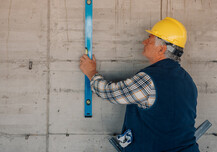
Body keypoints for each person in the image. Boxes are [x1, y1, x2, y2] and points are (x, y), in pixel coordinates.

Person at [79, 17, 199, 152]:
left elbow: (110, 93)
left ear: (161, 49)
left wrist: (91, 73)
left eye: (150, 39)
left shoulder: (150, 79)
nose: (144, 42)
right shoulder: (188, 81)